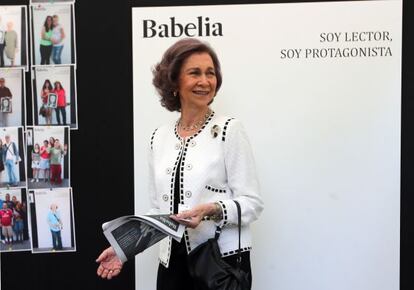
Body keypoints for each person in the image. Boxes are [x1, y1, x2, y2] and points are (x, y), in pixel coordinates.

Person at [96, 38, 264, 287]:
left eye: (210, 73)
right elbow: (157, 212)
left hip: (219, 263)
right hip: (171, 265)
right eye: (194, 73)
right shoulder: (159, 137)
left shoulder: (229, 129)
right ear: (174, 81)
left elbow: (252, 204)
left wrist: (210, 210)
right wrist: (123, 249)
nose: (205, 81)